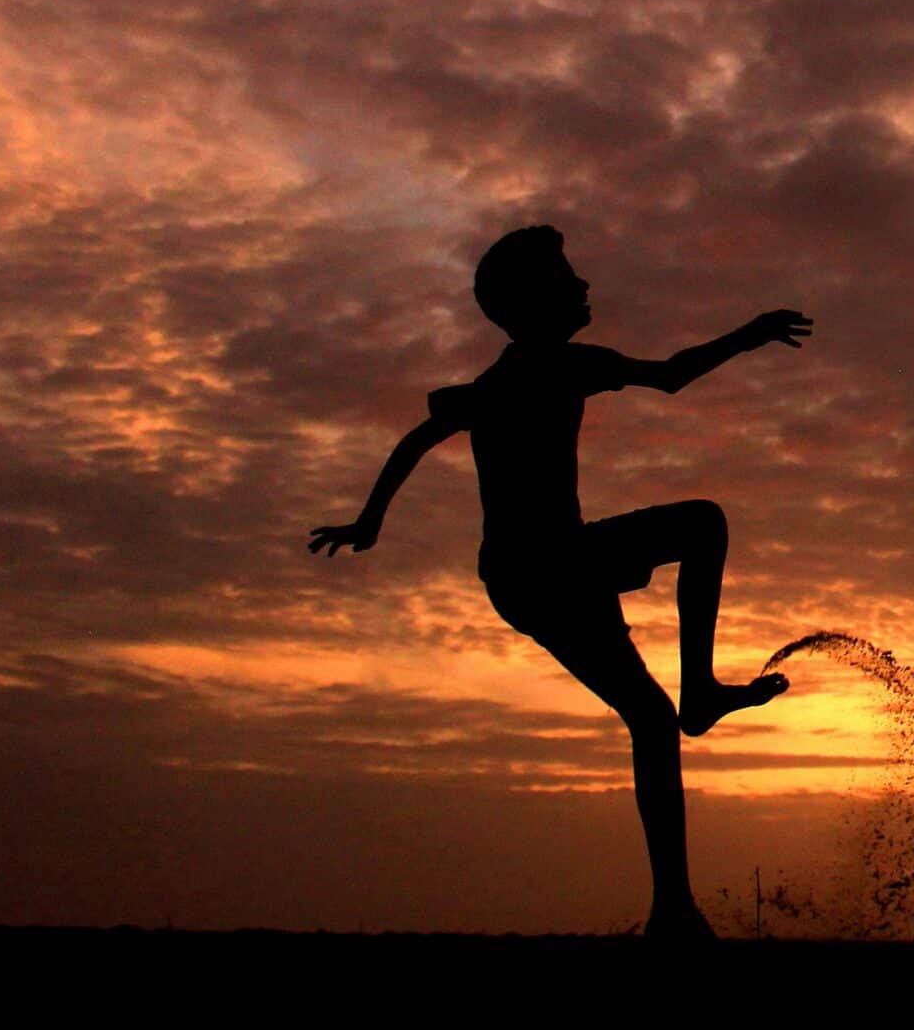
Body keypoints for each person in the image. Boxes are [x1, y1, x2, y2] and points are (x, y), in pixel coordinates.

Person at [310, 225, 810, 940]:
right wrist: (750, 333)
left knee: (648, 716)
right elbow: (666, 375)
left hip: (534, 574)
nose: (580, 285)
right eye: (564, 277)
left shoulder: (539, 372)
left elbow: (422, 437)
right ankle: (697, 695)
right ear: (529, 303)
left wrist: (369, 521)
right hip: (543, 567)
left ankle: (673, 909)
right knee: (703, 525)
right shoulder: (530, 376)